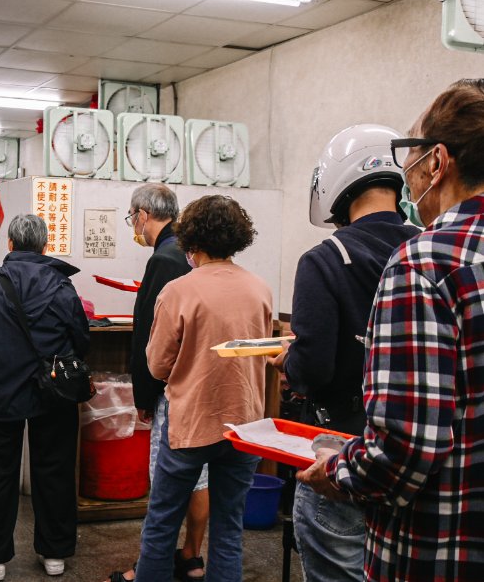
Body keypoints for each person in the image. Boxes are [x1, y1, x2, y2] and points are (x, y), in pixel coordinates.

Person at [299, 79, 484, 581]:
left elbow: (405, 446)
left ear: (438, 162)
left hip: (440, 544)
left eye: (412, 154)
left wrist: (337, 471)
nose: (408, 174)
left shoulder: (425, 262)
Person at [266, 124, 420, 582]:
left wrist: (289, 366)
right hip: (417, 454)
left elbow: (313, 367)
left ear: (334, 183)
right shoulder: (427, 247)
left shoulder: (325, 258)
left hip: (342, 452)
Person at [135, 195, 272, 582]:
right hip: (245, 426)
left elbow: (158, 365)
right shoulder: (259, 289)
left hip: (191, 424)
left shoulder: (178, 291)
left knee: (160, 526)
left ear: (191, 238)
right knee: (229, 529)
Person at [0, 214, 89, 581]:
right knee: (53, 471)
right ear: (44, 246)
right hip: (52, 391)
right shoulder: (62, 286)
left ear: (9, 244)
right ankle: (54, 554)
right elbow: (81, 340)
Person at [111, 184, 207, 582]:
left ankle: (152, 566)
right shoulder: (191, 253)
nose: (134, 224)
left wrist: (144, 393)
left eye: (132, 217)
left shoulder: (164, 259)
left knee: (166, 482)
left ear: (144, 214)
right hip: (203, 384)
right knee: (200, 476)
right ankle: (193, 556)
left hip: (172, 387)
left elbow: (153, 336)